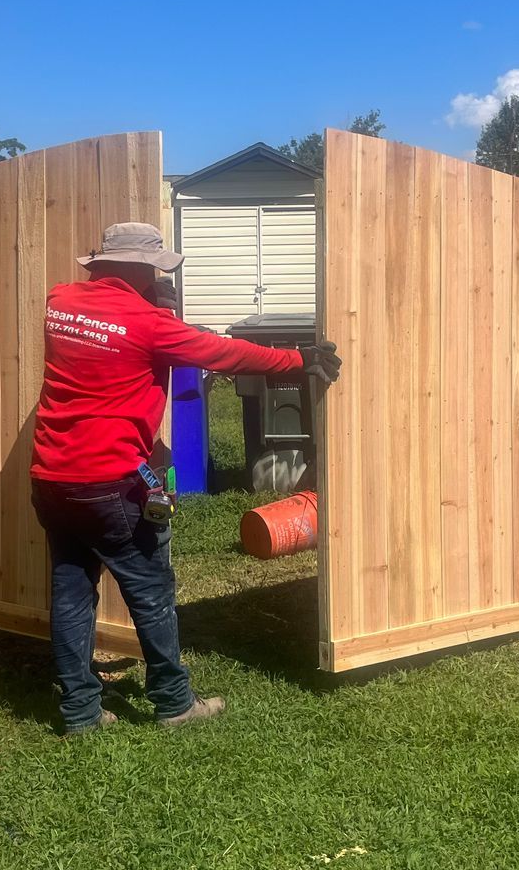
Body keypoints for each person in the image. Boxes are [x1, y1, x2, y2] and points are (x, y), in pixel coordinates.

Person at [30, 221, 341, 734]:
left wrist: (151, 303)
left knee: (71, 591)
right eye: (155, 271)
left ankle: (80, 712)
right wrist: (298, 359)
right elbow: (222, 351)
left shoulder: (60, 302)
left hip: (53, 475)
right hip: (111, 481)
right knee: (149, 590)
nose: (161, 279)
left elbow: (114, 335)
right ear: (140, 271)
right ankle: (174, 703)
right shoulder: (150, 324)